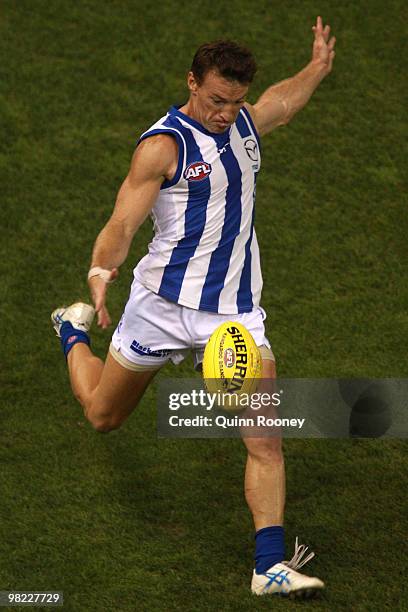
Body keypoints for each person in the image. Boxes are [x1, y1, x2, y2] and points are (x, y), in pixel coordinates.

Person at [51, 16, 335, 598]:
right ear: (191, 83)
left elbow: (283, 102)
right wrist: (101, 272)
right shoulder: (163, 146)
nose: (225, 113)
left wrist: (317, 67)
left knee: (264, 437)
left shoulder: (245, 124)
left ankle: (269, 567)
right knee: (104, 416)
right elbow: (122, 222)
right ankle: (72, 332)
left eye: (235, 102)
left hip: (232, 315)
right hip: (158, 306)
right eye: (215, 100)